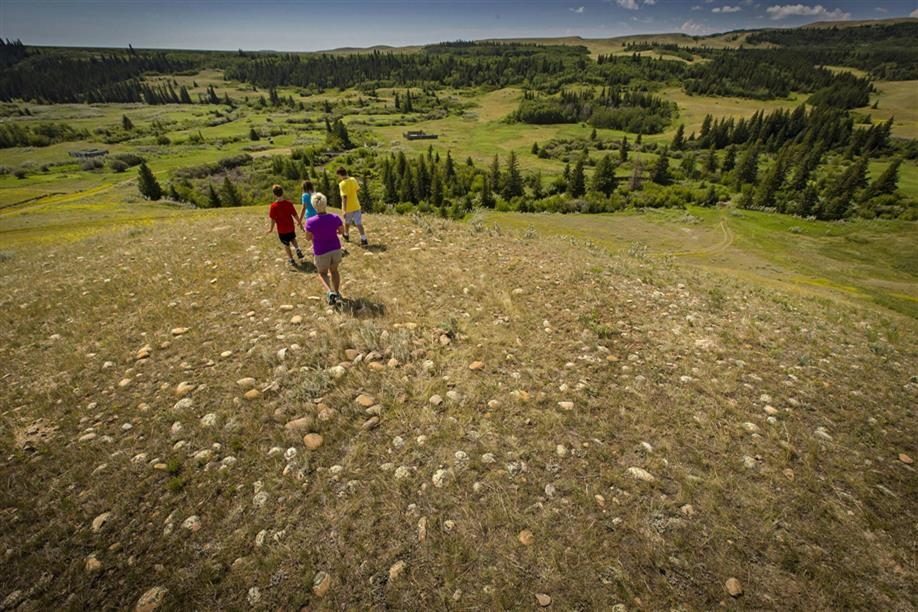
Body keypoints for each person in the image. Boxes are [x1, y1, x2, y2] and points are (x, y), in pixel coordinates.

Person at [304, 193, 345, 305]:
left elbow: (308, 238)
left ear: (314, 206)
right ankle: (336, 292)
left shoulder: (310, 222)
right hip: (335, 249)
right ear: (325, 203)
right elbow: (342, 231)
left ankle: (330, 292)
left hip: (321, 251)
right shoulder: (335, 217)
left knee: (322, 273)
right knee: (334, 271)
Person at [265, 184, 304, 267]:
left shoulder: (273, 206)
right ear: (283, 192)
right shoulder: (289, 203)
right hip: (290, 227)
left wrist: (271, 229)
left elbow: (273, 219)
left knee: (286, 244)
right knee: (293, 238)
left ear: (274, 194)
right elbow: (295, 214)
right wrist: (299, 222)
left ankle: (291, 260)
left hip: (282, 230)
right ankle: (297, 249)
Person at [336, 166, 368, 246]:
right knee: (359, 223)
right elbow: (357, 190)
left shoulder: (342, 184)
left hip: (348, 208)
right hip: (356, 205)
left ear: (340, 175)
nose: (338, 178)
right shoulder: (353, 179)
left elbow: (344, 198)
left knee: (347, 223)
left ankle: (346, 235)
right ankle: (364, 239)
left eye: (338, 176)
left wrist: (343, 210)